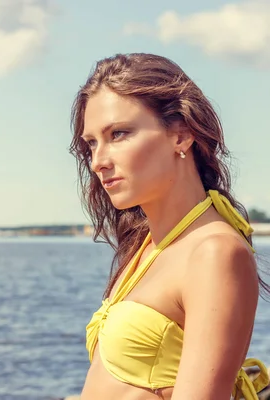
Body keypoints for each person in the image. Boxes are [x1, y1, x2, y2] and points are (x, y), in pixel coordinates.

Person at [67, 53, 269, 399]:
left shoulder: (214, 252)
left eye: (118, 134)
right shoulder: (147, 243)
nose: (99, 161)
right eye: (91, 143)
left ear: (181, 135)